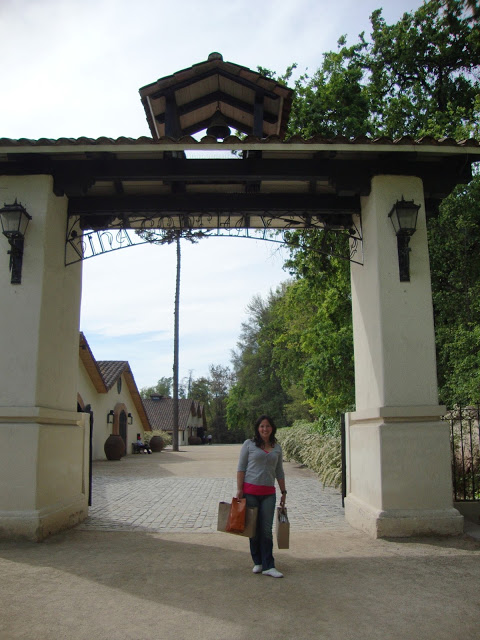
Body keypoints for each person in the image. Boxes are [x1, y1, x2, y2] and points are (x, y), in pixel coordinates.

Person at [236, 414, 287, 578]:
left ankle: (269, 565)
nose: (265, 429)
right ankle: (257, 562)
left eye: (268, 426)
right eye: (262, 426)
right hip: (250, 493)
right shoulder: (249, 444)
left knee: (266, 530)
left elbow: (279, 471)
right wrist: (239, 489)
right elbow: (241, 468)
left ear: (272, 428)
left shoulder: (277, 448)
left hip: (268, 494)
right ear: (258, 429)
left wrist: (283, 491)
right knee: (253, 529)